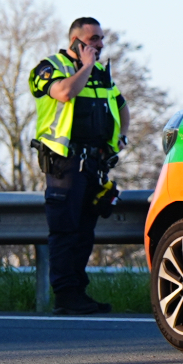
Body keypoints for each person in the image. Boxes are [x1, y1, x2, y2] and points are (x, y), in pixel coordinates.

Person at [28, 17, 129, 315]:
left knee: (85, 231)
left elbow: (121, 104)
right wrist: (85, 66)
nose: (99, 44)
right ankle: (65, 294)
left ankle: (78, 293)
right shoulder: (49, 67)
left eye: (100, 38)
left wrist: (122, 135)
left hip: (94, 164)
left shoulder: (100, 74)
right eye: (93, 39)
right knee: (65, 229)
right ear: (75, 40)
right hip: (64, 163)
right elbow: (64, 93)